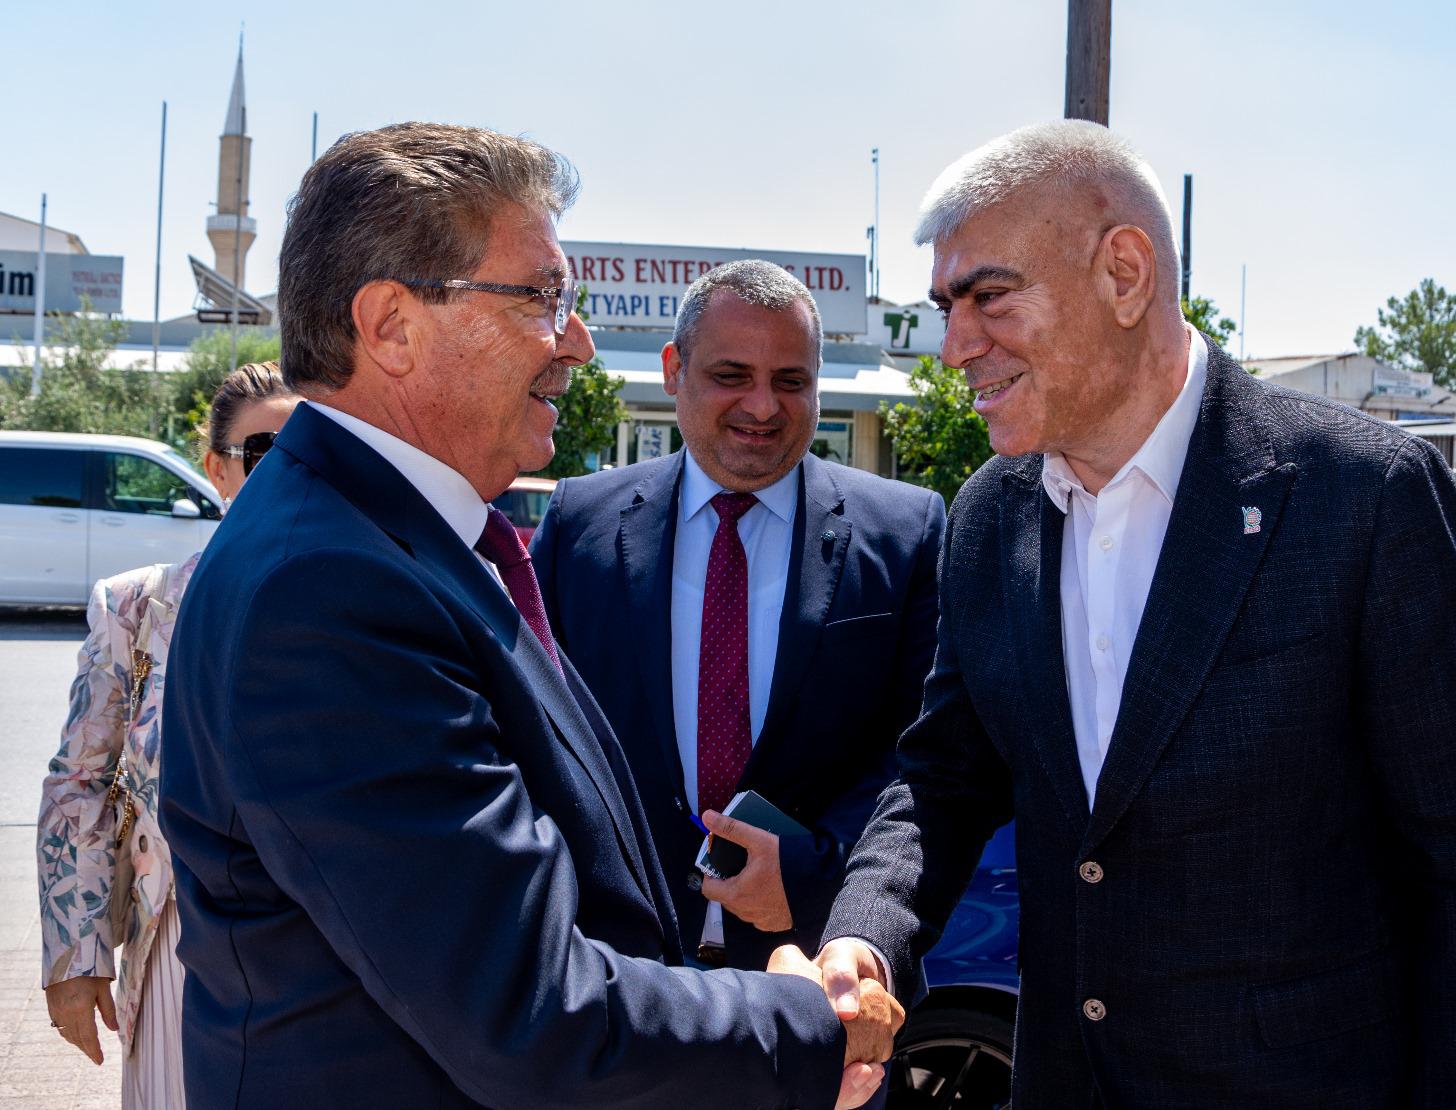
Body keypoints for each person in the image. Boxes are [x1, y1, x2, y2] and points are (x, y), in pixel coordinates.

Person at [156, 122, 899, 1109]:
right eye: (543, 299)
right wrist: (804, 1026)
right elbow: (527, 1012)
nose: (577, 342)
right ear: (391, 325)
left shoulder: (390, 540)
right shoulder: (327, 589)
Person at [816, 120, 1456, 1108]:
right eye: (946, 307)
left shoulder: (1363, 497)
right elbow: (944, 777)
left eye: (989, 296)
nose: (955, 346)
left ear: (1124, 274)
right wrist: (864, 935)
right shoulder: (990, 517)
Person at [530, 260, 944, 972]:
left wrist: (811, 875)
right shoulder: (577, 524)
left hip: (819, 968)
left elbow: (929, 758)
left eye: (791, 381)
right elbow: (536, 732)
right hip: (615, 967)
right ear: (673, 370)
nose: (763, 406)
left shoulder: (906, 533)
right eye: (731, 375)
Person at [37, 362, 300, 1108]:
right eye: (264, 452)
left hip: (326, 962)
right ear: (217, 469)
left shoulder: (363, 601)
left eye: (310, 449)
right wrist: (76, 953)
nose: (290, 470)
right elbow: (80, 779)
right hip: (185, 953)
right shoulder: (136, 608)